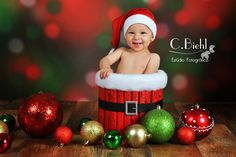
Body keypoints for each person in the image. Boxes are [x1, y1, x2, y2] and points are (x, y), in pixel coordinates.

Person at [99, 8, 160, 79]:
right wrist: (105, 68)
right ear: (125, 36)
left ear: (152, 36)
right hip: (117, 89)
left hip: (138, 89)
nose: (136, 37)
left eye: (143, 33)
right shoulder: (122, 51)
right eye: (131, 33)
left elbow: (147, 81)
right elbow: (105, 60)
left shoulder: (153, 57)